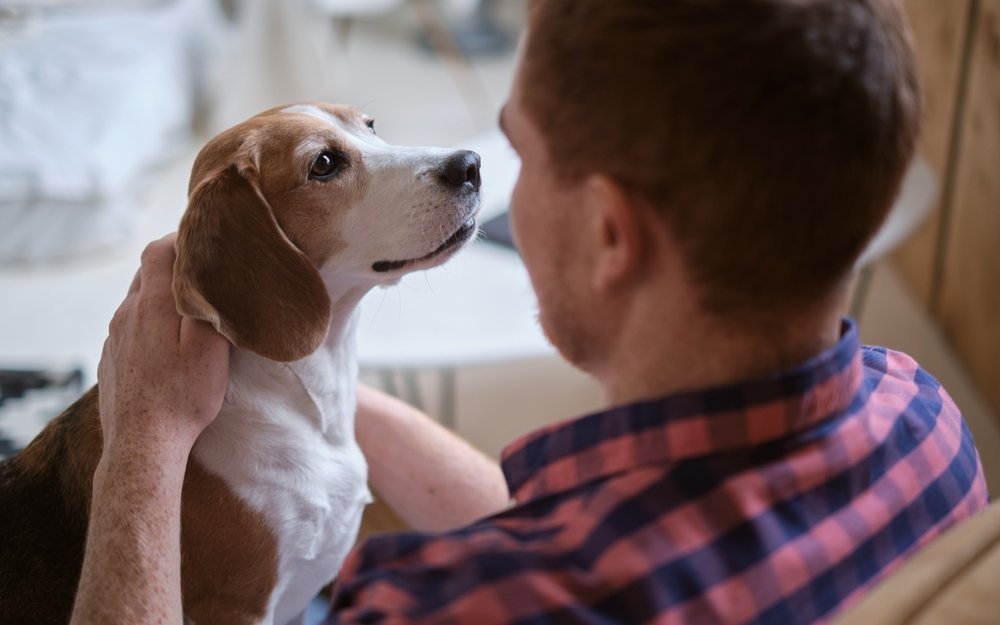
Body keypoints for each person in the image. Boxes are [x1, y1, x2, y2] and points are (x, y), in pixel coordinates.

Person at [71, 1, 990, 624]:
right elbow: (593, 531)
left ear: (609, 232)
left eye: (522, 153)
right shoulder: (931, 429)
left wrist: (144, 445)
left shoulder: (451, 602)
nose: (484, 174)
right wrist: (304, 385)